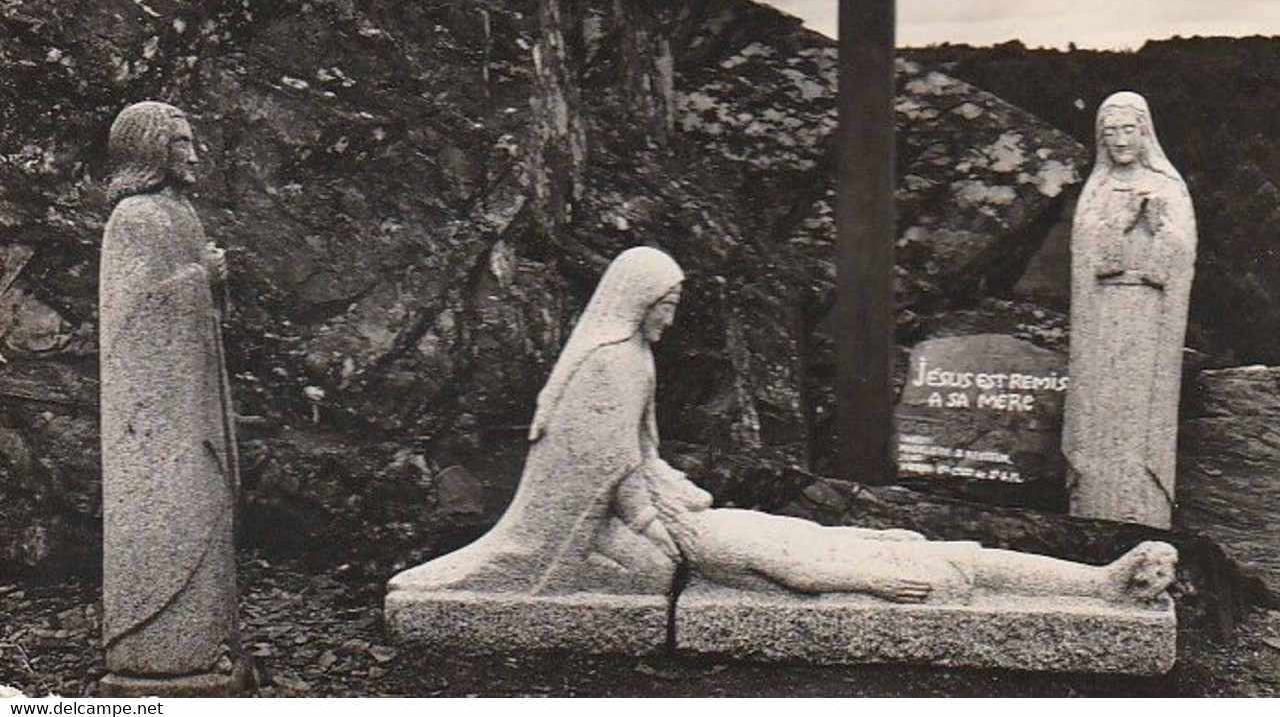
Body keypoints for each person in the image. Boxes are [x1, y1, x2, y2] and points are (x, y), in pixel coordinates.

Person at [390, 246, 686, 596]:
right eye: (666, 307)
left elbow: (641, 449)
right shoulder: (611, 361)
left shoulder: (637, 355)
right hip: (570, 520)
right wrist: (650, 524)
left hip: (609, 506)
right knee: (654, 571)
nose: (669, 321)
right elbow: (613, 460)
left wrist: (679, 495)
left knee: (660, 566)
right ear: (641, 299)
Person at [99, 101, 242, 692]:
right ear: (153, 150)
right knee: (168, 517)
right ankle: (156, 657)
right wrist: (198, 280)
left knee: (205, 513)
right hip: (155, 418)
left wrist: (212, 285)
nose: (195, 153)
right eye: (182, 142)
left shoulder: (180, 213)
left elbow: (194, 310)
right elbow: (130, 315)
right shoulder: (133, 219)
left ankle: (209, 644)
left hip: (193, 399)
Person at [644, 456, 1176, 607]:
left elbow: (808, 536)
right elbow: (803, 572)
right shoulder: (712, 538)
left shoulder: (713, 522)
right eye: (670, 478)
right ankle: (1100, 586)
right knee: (981, 567)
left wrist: (875, 536)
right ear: (661, 500)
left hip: (862, 556)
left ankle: (1098, 582)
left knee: (982, 561)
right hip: (863, 577)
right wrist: (876, 581)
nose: (684, 477)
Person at [1062, 92, 1197, 528]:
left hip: (1148, 320)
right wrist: (1116, 224)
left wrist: (1160, 229)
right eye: (1110, 131)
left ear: (1145, 133)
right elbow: (1086, 257)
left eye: (1128, 129)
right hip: (1102, 319)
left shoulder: (1168, 187)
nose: (1120, 140)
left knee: (1140, 415)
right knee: (1101, 409)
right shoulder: (1097, 189)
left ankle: (1143, 511)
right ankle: (1093, 508)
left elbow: (1180, 257)